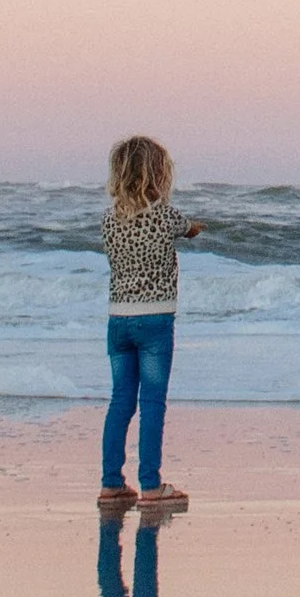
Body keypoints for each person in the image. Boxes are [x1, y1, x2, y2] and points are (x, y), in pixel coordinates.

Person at [97, 136, 200, 512]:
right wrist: (196, 229)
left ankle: (111, 484)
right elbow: (187, 227)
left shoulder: (109, 219)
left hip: (118, 320)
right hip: (155, 319)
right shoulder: (164, 214)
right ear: (158, 174)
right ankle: (151, 485)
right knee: (152, 401)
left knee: (120, 400)